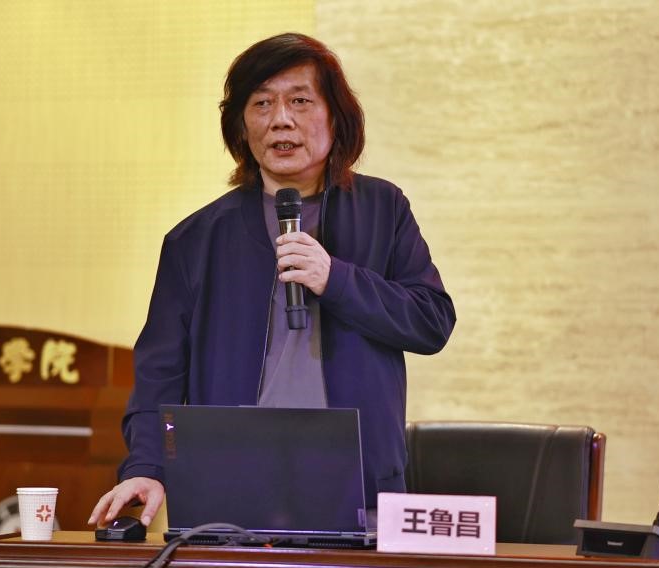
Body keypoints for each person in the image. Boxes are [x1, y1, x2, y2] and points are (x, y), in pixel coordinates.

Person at [88, 32, 456, 528]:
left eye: (300, 101)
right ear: (241, 127)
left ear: (336, 117)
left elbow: (431, 322)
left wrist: (336, 278)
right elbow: (159, 373)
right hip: (230, 495)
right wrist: (147, 468)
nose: (281, 119)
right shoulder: (196, 240)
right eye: (261, 103)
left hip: (361, 493)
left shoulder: (383, 209)